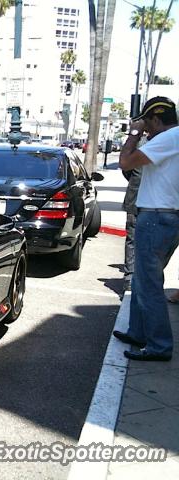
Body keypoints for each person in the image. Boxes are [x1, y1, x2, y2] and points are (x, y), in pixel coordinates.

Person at [113, 96, 179, 361]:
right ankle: (139, 332)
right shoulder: (173, 138)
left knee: (149, 284)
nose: (146, 129)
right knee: (142, 280)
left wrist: (134, 133)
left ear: (155, 118)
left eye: (147, 123)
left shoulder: (167, 138)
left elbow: (125, 162)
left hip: (156, 217)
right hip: (165, 216)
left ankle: (160, 345)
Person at [121, 167, 141, 293]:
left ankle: (130, 278)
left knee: (132, 240)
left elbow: (126, 169)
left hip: (136, 201)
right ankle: (131, 278)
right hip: (139, 203)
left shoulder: (138, 150)